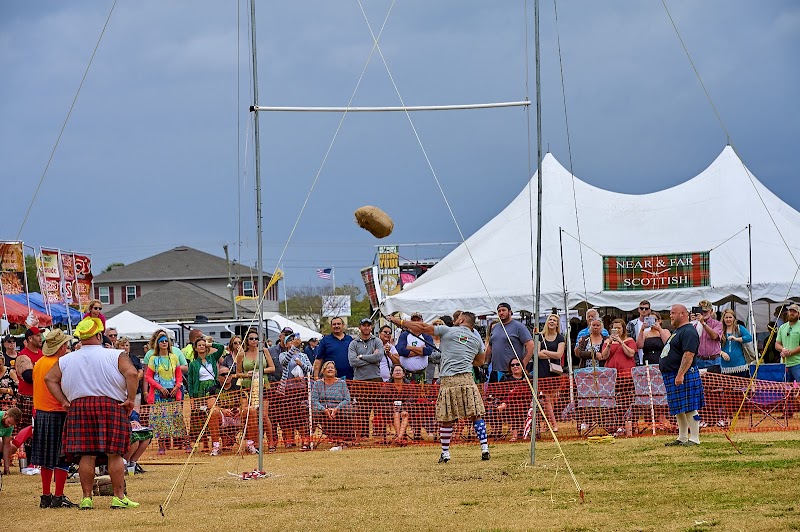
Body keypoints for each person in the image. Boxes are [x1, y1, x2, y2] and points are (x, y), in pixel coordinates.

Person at [44, 317, 141, 509]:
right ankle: (119, 497)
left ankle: (86, 498)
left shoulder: (66, 359)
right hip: (111, 405)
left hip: (79, 407)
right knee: (114, 453)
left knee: (86, 455)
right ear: (99, 335)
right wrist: (130, 399)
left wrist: (64, 401)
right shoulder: (116, 354)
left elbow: (49, 379)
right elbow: (131, 374)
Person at [388, 311, 489, 463]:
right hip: (467, 378)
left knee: (446, 417)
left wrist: (400, 322)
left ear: (461, 319)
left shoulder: (448, 330)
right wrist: (464, 360)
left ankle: (446, 453)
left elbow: (422, 327)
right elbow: (480, 361)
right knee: (475, 414)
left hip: (448, 380)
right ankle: (485, 448)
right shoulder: (476, 339)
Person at [31, 329, 77, 508]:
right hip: (59, 412)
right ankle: (58, 496)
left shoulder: (39, 362)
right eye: (65, 344)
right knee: (62, 456)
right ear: (61, 346)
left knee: (45, 457)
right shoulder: (61, 363)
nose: (67, 346)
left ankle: (45, 495)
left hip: (41, 413)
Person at [660, 304, 704, 447]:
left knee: (690, 406)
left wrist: (680, 374)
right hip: (672, 374)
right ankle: (683, 437)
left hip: (683, 374)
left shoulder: (689, 331)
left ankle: (695, 438)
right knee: (679, 408)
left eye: (673, 313)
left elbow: (688, 354)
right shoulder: (678, 331)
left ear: (683, 314)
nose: (671, 316)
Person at [145, 332, 188, 454]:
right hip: (159, 393)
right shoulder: (153, 359)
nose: (164, 343)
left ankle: (186, 443)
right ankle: (162, 446)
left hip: (173, 391)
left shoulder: (174, 357)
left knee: (177, 417)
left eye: (166, 341)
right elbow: (148, 377)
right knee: (160, 419)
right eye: (161, 341)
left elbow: (179, 375)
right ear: (157, 344)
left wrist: (176, 387)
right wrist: (159, 387)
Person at [235, 329, 276, 453]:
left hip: (262, 385)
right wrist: (246, 374)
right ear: (247, 341)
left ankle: (271, 442)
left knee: (263, 416)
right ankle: (253, 443)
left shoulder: (264, 351)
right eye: (251, 338)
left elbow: (272, 368)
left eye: (256, 338)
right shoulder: (242, 354)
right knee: (248, 414)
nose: (254, 341)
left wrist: (259, 372)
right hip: (247, 386)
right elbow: (237, 373)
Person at [348, 317, 384, 441]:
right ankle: (363, 435)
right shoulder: (353, 343)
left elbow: (379, 357)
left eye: (369, 325)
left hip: (375, 379)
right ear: (360, 327)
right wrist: (371, 358)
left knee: (379, 408)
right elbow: (352, 361)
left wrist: (362, 356)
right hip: (359, 380)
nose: (366, 327)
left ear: (372, 327)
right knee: (363, 409)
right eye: (364, 325)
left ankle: (380, 434)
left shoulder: (377, 341)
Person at [277, 333, 313, 450]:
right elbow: (284, 362)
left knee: (302, 415)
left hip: (301, 389)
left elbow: (310, 370)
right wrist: (292, 349)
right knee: (287, 416)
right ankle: (289, 440)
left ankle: (305, 441)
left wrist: (301, 364)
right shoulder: (283, 354)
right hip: (287, 390)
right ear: (286, 344)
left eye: (294, 340)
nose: (293, 342)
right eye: (290, 341)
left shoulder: (303, 356)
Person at [486, 303, 534, 382]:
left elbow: (530, 345)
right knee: (495, 394)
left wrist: (523, 365)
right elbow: (490, 347)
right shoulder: (495, 327)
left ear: (510, 312)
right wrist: (486, 362)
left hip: (512, 372)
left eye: (503, 310)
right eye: (499, 311)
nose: (501, 313)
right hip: (495, 371)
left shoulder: (519, 327)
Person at [14, 326, 43, 455]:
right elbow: (28, 377)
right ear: (30, 338)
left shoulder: (42, 354)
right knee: (27, 428)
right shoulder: (23, 356)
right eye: (37, 335)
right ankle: (28, 459)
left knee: (39, 429)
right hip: (27, 397)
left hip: (40, 396)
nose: (40, 338)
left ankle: (37, 458)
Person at [310, 361, 353, 447]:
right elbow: (314, 400)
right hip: (322, 408)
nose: (330, 369)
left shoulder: (341, 383)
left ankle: (341, 438)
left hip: (338, 408)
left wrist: (337, 409)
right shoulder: (317, 383)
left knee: (349, 410)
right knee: (311, 412)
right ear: (323, 371)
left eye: (332, 368)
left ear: (335, 371)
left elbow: (347, 399)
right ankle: (308, 441)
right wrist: (324, 410)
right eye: (328, 367)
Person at [535, 314, 564, 433]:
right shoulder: (540, 336)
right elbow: (537, 354)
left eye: (554, 320)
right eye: (550, 320)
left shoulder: (560, 337)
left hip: (554, 370)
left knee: (551, 400)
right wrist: (551, 353)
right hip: (543, 370)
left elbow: (559, 355)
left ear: (557, 324)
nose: (552, 322)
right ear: (547, 322)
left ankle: (546, 424)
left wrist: (546, 351)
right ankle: (553, 424)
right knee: (546, 399)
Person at [496, 359, 532, 442]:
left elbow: (531, 392)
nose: (515, 366)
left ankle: (519, 433)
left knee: (517, 393)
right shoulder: (505, 378)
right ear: (510, 367)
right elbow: (500, 393)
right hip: (511, 406)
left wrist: (515, 391)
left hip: (526, 403)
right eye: (512, 365)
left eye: (517, 364)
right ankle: (515, 435)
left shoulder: (528, 377)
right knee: (514, 406)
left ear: (522, 366)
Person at [396, 313, 434, 384]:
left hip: (421, 374)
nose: (416, 322)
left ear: (422, 321)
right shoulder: (404, 335)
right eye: (413, 320)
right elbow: (401, 351)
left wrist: (410, 348)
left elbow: (428, 351)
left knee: (422, 394)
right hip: (406, 374)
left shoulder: (427, 336)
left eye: (418, 320)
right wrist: (420, 350)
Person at [383, 365, 413, 445]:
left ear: (404, 374)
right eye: (396, 371)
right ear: (392, 374)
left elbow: (411, 399)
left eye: (400, 370)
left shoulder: (409, 385)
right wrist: (393, 407)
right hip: (390, 411)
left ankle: (399, 437)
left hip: (406, 409)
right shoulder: (387, 386)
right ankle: (401, 437)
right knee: (396, 414)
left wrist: (403, 409)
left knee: (405, 415)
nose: (398, 372)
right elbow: (384, 400)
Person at [719, 309, 753, 378]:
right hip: (725, 366)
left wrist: (737, 339)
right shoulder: (720, 330)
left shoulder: (739, 328)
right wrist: (722, 353)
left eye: (730, 317)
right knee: (727, 387)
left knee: (741, 387)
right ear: (723, 319)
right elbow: (714, 345)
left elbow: (749, 337)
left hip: (739, 365)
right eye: (726, 317)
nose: (728, 319)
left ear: (734, 318)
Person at [695, 300, 723, 373]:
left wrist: (703, 324)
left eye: (705, 311)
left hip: (713, 361)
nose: (703, 314)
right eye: (702, 311)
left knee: (714, 384)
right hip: (699, 360)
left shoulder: (718, 324)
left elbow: (714, 336)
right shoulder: (694, 325)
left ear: (711, 311)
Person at [775, 303, 800, 384]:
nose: (792, 313)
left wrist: (790, 353)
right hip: (785, 364)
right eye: (790, 311)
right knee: (787, 390)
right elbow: (777, 344)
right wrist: (783, 349)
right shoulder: (782, 327)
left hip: (798, 363)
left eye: (794, 312)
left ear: (798, 314)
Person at [116, 337, 143, 409]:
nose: (125, 347)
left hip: (135, 392)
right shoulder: (115, 359)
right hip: (120, 392)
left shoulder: (135, 359)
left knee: (135, 415)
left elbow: (141, 372)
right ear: (118, 347)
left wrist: (132, 380)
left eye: (127, 345)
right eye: (122, 345)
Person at [627, 300, 653, 365]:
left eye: (646, 309)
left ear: (649, 310)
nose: (644, 310)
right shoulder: (632, 324)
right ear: (638, 309)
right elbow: (627, 340)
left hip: (651, 356)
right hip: (636, 357)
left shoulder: (653, 323)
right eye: (641, 308)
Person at [0, 407, 22, 476]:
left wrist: (7, 467)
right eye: (9, 422)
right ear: (5, 414)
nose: (9, 425)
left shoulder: (10, 426)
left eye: (12, 424)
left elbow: (6, 445)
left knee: (12, 447)